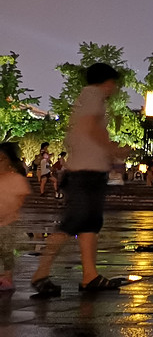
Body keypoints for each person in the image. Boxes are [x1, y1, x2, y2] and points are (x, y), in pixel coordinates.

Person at [31, 63, 128, 297]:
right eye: (113, 83)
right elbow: (90, 127)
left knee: (89, 225)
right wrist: (113, 148)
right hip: (84, 173)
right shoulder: (93, 95)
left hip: (89, 172)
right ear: (106, 81)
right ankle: (40, 274)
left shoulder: (87, 98)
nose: (114, 88)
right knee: (71, 224)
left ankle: (90, 275)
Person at [0, 143, 31, 291]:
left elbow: (17, 202)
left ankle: (7, 277)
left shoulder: (16, 180)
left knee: (6, 250)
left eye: (2, 159)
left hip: (8, 221)